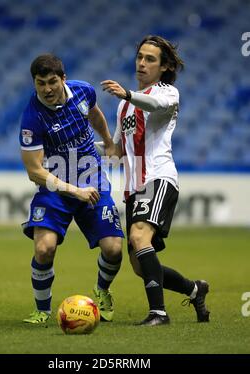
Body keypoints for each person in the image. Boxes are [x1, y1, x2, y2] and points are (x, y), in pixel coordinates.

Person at [100, 35, 210, 326]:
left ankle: (159, 313)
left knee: (138, 237)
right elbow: (115, 150)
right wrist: (76, 148)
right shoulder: (124, 107)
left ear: (164, 67)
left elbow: (152, 104)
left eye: (150, 59)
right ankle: (194, 289)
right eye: (140, 57)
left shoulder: (167, 93)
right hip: (133, 188)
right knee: (139, 265)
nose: (142, 63)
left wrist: (127, 94)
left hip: (159, 178)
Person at [19, 53, 124, 324]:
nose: (47, 89)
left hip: (92, 177)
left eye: (52, 81)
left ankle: (101, 291)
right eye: (40, 83)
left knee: (113, 248)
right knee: (44, 249)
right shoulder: (32, 117)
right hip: (54, 187)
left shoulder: (83, 91)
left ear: (63, 79)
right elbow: (35, 171)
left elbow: (95, 114)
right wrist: (74, 191)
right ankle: (42, 311)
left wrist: (109, 142)